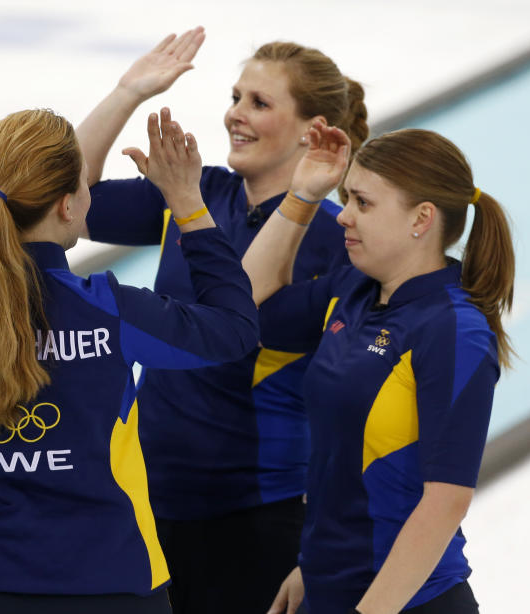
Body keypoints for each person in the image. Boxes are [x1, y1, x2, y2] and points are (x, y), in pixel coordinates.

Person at [0, 107, 260, 613]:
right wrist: (186, 201)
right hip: (111, 583)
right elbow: (235, 329)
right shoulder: (108, 309)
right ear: (68, 205)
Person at [77, 32, 369, 613]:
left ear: (314, 130)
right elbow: (65, 200)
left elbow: (354, 407)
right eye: (237, 96)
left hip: (258, 514)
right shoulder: (198, 190)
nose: (235, 113)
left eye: (259, 103)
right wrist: (128, 91)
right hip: (148, 499)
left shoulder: (342, 241)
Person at [244, 124, 513, 614]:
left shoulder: (454, 330)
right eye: (347, 198)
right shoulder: (352, 289)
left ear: (421, 219)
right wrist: (302, 196)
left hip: (405, 602)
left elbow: (446, 500)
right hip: (329, 585)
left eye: (362, 203)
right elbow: (248, 309)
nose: (343, 216)